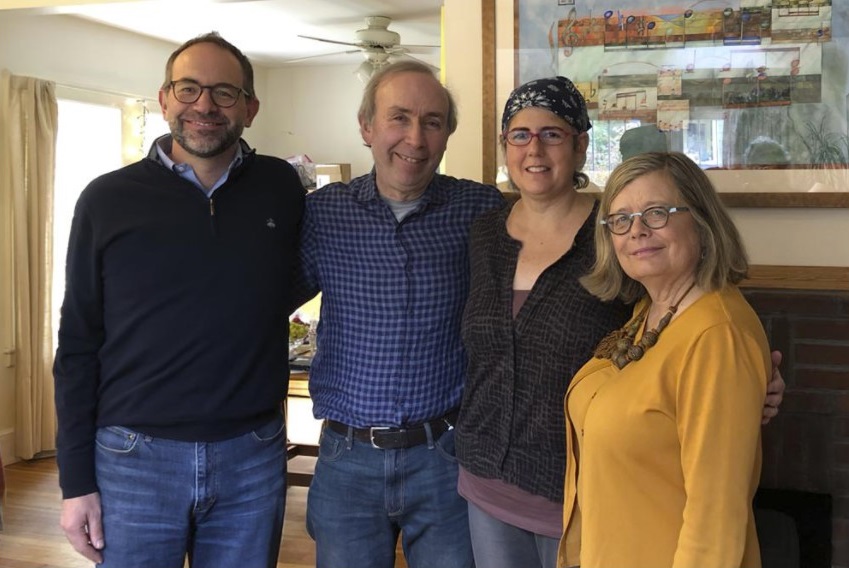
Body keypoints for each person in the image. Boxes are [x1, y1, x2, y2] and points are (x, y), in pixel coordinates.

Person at [456, 77, 785, 568]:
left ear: (581, 144)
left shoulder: (612, 236)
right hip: (486, 482)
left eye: (553, 133)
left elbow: (701, 324)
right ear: (505, 146)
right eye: (519, 135)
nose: (535, 148)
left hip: (578, 492)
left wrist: (748, 376)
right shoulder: (484, 233)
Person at [53, 32, 305, 567]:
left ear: (250, 108)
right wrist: (75, 483)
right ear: (164, 99)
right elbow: (77, 343)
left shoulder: (281, 187)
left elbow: (288, 283)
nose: (205, 106)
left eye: (224, 92)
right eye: (188, 89)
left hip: (252, 458)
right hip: (132, 460)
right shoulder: (107, 199)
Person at [292, 60, 504, 568]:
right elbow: (262, 301)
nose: (415, 137)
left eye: (432, 121)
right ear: (367, 127)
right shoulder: (324, 213)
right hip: (347, 460)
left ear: (448, 134)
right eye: (399, 118)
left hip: (447, 458)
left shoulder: (480, 209)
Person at [561, 151, 769, 567]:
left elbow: (716, 523)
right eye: (620, 219)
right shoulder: (650, 312)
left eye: (657, 212)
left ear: (701, 219)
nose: (636, 231)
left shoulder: (717, 336)